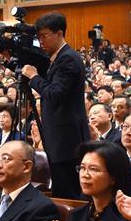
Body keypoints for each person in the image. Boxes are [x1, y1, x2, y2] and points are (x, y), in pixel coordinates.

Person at [22, 11, 90, 199]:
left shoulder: (67, 58)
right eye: (38, 37)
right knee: (62, 190)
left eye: (44, 36)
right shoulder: (56, 59)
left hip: (67, 141)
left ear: (59, 34)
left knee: (69, 194)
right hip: (60, 138)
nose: (40, 42)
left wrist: (34, 77)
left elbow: (55, 94)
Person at [47, 141, 131, 221]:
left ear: (113, 177)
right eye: (82, 168)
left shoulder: (127, 220)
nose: (85, 175)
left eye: (94, 169)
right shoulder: (76, 215)